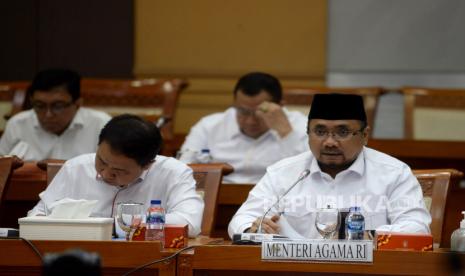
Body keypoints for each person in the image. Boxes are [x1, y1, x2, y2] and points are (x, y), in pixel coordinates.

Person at [228, 93, 431, 238]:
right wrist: (253, 229)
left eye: (342, 132)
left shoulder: (394, 173)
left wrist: (366, 236)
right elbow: (242, 220)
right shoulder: (284, 173)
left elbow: (417, 227)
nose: (330, 142)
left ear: (365, 135)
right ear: (308, 133)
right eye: (320, 131)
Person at [28, 114, 204, 237]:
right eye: (102, 161)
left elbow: (189, 222)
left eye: (119, 171)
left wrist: (116, 224)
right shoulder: (76, 167)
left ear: (148, 164)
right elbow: (36, 217)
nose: (105, 174)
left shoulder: (173, 172)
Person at [179, 72, 308, 184]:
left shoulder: (302, 126)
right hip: (220, 198)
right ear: (234, 103)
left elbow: (307, 174)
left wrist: (286, 133)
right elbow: (183, 168)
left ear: (279, 106)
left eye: (260, 112)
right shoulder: (209, 126)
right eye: (242, 111)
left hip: (276, 200)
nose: (250, 121)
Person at [0, 68, 111, 161]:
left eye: (58, 106)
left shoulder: (101, 125)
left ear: (77, 104)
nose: (48, 114)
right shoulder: (17, 124)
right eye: (40, 105)